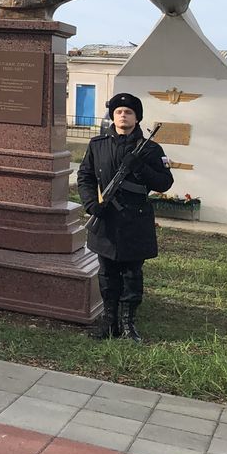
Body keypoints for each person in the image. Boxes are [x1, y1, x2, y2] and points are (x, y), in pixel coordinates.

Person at [77, 92, 174, 342]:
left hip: (135, 220)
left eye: (128, 112)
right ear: (113, 116)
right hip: (106, 218)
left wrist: (140, 167)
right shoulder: (97, 145)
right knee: (107, 273)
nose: (123, 116)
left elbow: (165, 182)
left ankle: (129, 324)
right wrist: (91, 204)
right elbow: (85, 176)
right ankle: (110, 322)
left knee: (132, 275)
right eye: (119, 112)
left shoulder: (150, 149)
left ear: (137, 118)